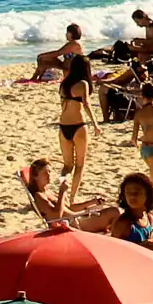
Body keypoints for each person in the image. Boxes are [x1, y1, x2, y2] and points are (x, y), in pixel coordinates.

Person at [54, 55, 96, 206]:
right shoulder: (83, 83)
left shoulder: (64, 83)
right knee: (80, 164)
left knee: (67, 166)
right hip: (78, 125)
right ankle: (72, 197)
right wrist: (96, 124)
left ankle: (62, 194)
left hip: (63, 125)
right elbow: (86, 104)